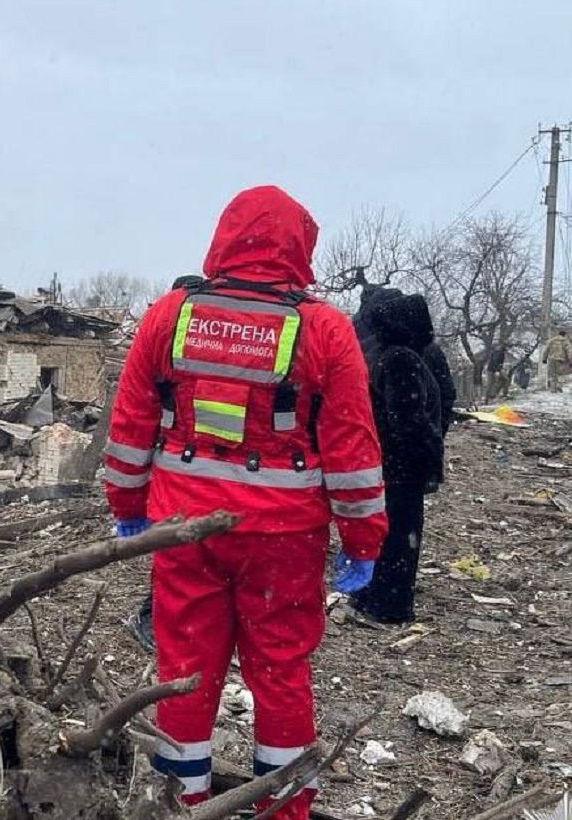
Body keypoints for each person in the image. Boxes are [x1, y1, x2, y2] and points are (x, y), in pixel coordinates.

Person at [103, 186, 387, 817]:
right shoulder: (325, 330)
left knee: (183, 669)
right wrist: (365, 542)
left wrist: (128, 505)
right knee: (281, 673)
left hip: (182, 528)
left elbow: (130, 424)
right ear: (299, 245)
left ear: (225, 236)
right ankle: (283, 810)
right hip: (283, 538)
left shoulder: (169, 315)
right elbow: (351, 448)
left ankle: (180, 803)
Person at [124, 273, 211, 654]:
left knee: (176, 556)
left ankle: (160, 619)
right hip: (195, 468)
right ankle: (157, 618)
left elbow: (136, 417)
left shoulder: (170, 334)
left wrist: (128, 502)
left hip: (176, 467)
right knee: (182, 556)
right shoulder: (202, 338)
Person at [350, 291, 443, 624]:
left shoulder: (377, 354)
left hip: (383, 461)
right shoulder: (400, 358)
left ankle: (369, 596)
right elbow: (408, 419)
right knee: (401, 536)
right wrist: (429, 452)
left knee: (384, 533)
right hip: (401, 466)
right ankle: (389, 606)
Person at [355, 286, 456, 435]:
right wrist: (436, 433)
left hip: (384, 444)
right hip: (407, 445)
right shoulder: (399, 357)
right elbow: (446, 392)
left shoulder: (368, 351)